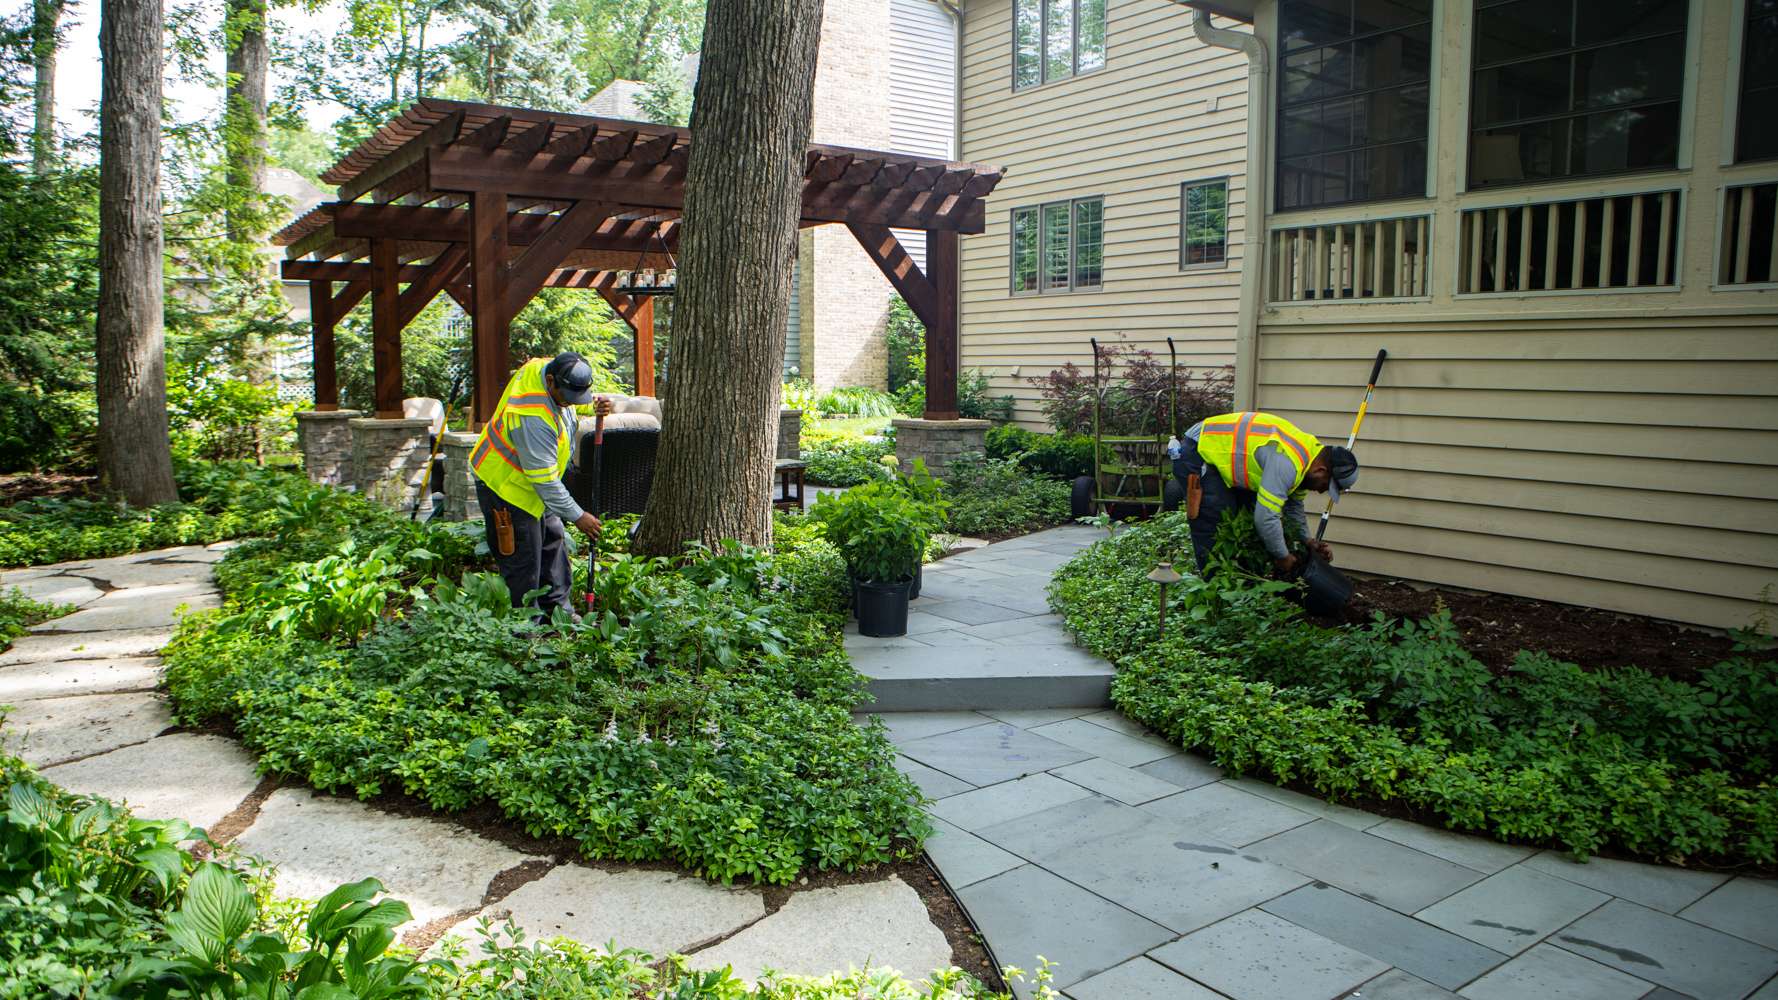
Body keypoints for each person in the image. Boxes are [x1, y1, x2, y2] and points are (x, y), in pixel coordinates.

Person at [470, 352, 610, 615]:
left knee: (552, 544)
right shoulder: (532, 417)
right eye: (568, 397)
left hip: (534, 486)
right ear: (550, 381)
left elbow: (568, 402)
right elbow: (544, 481)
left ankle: (559, 616)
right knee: (524, 562)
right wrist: (579, 516)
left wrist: (591, 406)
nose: (570, 403)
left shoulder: (541, 368)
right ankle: (525, 633)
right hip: (506, 487)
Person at [1170, 411, 1359, 576]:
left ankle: (1241, 585)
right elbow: (1266, 518)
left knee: (1245, 518)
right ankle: (1216, 596)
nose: (1320, 491)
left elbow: (1293, 507)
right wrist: (1283, 556)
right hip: (1200, 449)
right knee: (1215, 520)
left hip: (1222, 458)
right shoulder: (1287, 463)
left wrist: (1307, 540)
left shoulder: (1308, 458)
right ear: (1321, 470)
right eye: (1325, 486)